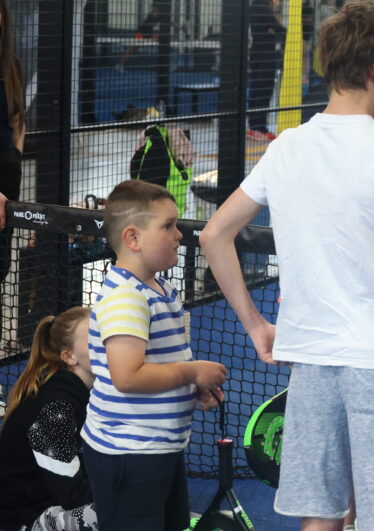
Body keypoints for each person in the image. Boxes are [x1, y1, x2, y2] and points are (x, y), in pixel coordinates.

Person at [199, 0, 374, 531]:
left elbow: (214, 235)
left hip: (313, 362)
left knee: (321, 517)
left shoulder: (286, 147)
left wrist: (255, 325)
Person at [81, 179, 227, 531]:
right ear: (133, 238)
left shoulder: (161, 287)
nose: (179, 234)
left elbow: (162, 361)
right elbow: (128, 376)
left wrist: (191, 389)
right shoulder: (126, 297)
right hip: (128, 452)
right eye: (168, 226)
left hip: (159, 446)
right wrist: (192, 373)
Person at [0, 307, 98, 531]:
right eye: (95, 337)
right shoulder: (55, 407)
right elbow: (73, 495)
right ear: (69, 357)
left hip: (48, 495)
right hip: (26, 516)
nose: (107, 343)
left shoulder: (80, 391)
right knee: (126, 510)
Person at [0, 0, 25, 285]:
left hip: (7, 176)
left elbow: (18, 121)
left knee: (2, 260)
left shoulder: (12, 65)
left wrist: (14, 156)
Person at [248, 0, 286, 140]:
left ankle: (260, 127)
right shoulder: (260, 7)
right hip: (262, 56)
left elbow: (273, 28)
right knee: (261, 90)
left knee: (264, 90)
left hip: (263, 54)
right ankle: (256, 127)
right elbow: (277, 28)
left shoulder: (263, 7)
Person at [302, 0, 315, 77]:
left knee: (304, 53)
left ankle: (304, 73)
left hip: (305, 33)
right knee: (304, 53)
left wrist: (300, 20)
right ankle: (304, 73)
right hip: (305, 33)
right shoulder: (304, 7)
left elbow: (310, 19)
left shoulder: (307, 7)